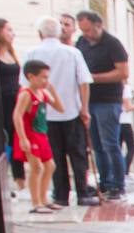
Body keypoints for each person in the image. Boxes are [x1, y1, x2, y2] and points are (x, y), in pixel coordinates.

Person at [21, 16, 96, 207]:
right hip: (71, 110)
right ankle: (82, 193)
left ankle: (61, 194)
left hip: (44, 115)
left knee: (54, 155)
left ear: (40, 34)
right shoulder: (72, 53)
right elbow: (84, 82)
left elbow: (24, 86)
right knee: (77, 153)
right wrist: (84, 108)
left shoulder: (31, 53)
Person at [75, 10, 130, 200]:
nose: (86, 34)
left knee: (110, 144)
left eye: (89, 30)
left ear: (99, 25)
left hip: (108, 101)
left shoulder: (113, 44)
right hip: (88, 101)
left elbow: (122, 73)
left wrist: (93, 78)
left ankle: (118, 185)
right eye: (82, 30)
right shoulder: (81, 43)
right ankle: (105, 182)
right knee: (97, 146)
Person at [13, 60, 64, 214]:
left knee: (50, 166)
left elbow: (60, 108)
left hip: (41, 133)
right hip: (29, 134)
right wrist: (23, 138)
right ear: (31, 77)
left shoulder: (43, 93)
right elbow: (17, 115)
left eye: (47, 77)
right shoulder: (25, 94)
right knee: (37, 168)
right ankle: (36, 203)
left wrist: (52, 90)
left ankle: (44, 199)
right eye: (43, 77)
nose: (46, 81)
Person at [0, 18, 25, 192]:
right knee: (6, 139)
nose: (13, 34)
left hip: (16, 99)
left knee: (18, 138)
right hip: (2, 102)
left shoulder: (11, 54)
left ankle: (20, 181)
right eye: (9, 30)